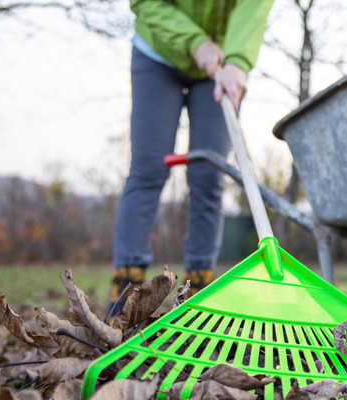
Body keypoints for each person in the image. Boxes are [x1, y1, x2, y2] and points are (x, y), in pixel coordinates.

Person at [111, 0, 275, 309]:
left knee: (209, 175)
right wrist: (195, 42)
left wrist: (238, 62)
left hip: (221, 62)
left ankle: (198, 290)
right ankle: (126, 290)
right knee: (148, 170)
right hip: (158, 51)